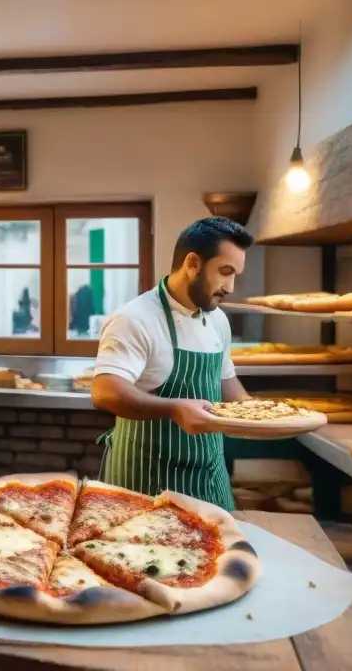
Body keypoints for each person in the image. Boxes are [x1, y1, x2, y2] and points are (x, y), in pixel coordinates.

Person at [91, 217, 253, 511]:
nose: (230, 286)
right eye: (225, 272)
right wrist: (174, 408)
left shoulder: (217, 320)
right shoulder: (136, 318)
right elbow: (105, 391)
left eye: (235, 275)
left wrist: (262, 414)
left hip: (208, 478)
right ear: (193, 264)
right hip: (146, 483)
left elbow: (225, 381)